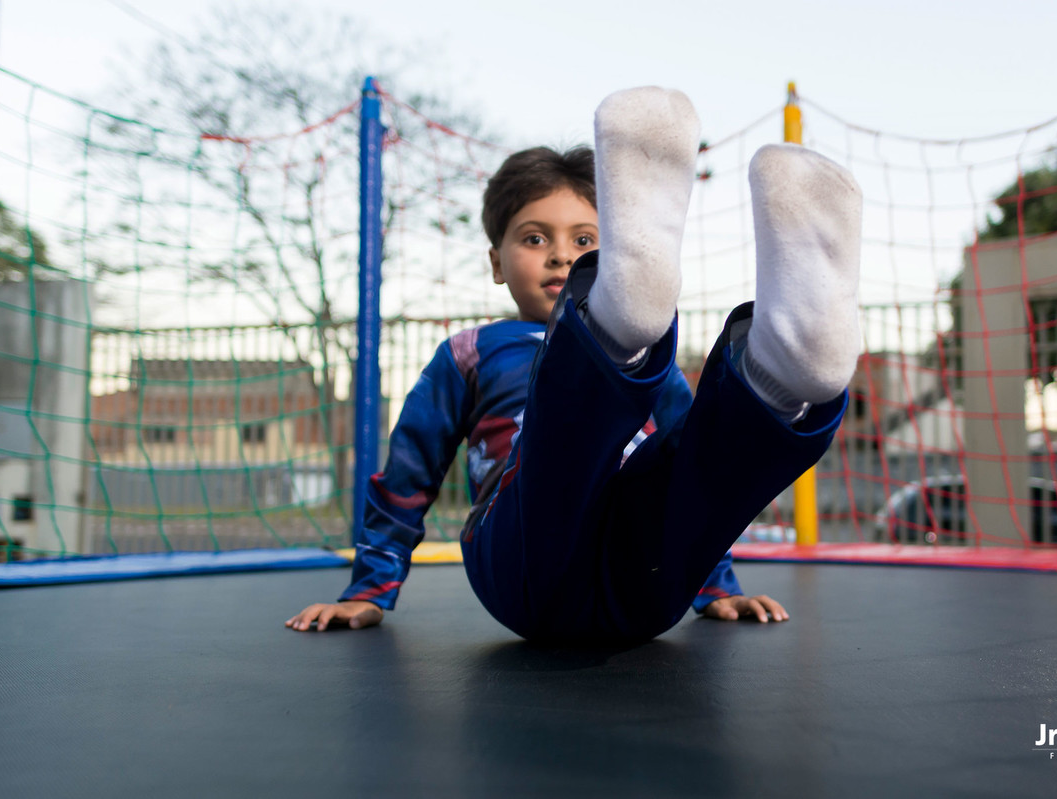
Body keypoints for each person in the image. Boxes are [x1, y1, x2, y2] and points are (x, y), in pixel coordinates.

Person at [287, 87, 860, 644]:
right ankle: (607, 327)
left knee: (679, 464)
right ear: (496, 262)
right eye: (535, 239)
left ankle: (780, 375)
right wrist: (369, 589)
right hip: (524, 563)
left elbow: (695, 464)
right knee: (561, 441)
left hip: (645, 582)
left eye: (585, 239)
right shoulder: (470, 352)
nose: (561, 254)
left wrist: (716, 589)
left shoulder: (655, 365)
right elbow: (409, 474)